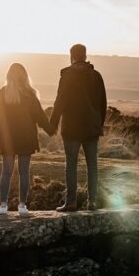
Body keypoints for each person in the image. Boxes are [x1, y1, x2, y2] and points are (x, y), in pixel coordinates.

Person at [0, 63, 54, 216]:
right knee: (24, 172)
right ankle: (22, 206)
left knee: (6, 172)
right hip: (26, 138)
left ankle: (3, 206)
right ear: (25, 76)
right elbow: (40, 117)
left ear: (8, 76)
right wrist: (52, 129)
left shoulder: (2, 94)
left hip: (7, 140)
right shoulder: (30, 94)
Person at [49, 43, 107, 211]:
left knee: (71, 165)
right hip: (91, 127)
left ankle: (71, 202)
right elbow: (102, 104)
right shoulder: (96, 76)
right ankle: (92, 202)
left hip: (72, 128)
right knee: (92, 165)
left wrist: (52, 126)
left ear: (72, 56)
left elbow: (59, 103)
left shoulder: (67, 76)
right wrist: (98, 124)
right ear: (85, 55)